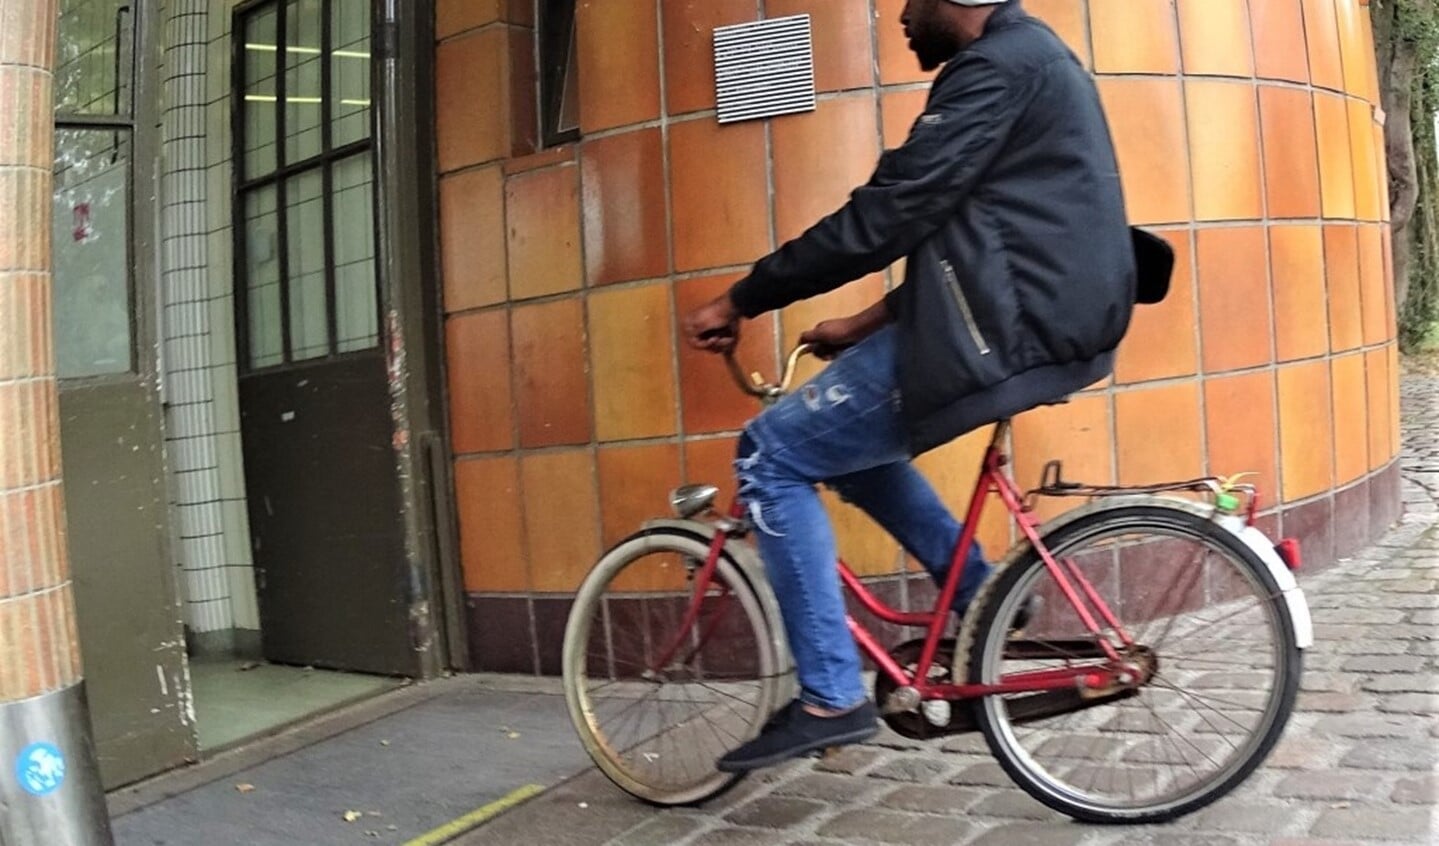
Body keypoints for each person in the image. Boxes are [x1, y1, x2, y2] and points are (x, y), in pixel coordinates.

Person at [682, 0, 1137, 772]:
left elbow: (887, 215)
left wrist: (742, 298)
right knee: (845, 448)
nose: (900, 14)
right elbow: (989, 230)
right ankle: (982, 595)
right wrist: (861, 323)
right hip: (1034, 316)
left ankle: (830, 697)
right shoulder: (1031, 59)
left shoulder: (993, 70)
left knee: (772, 452)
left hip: (1008, 328)